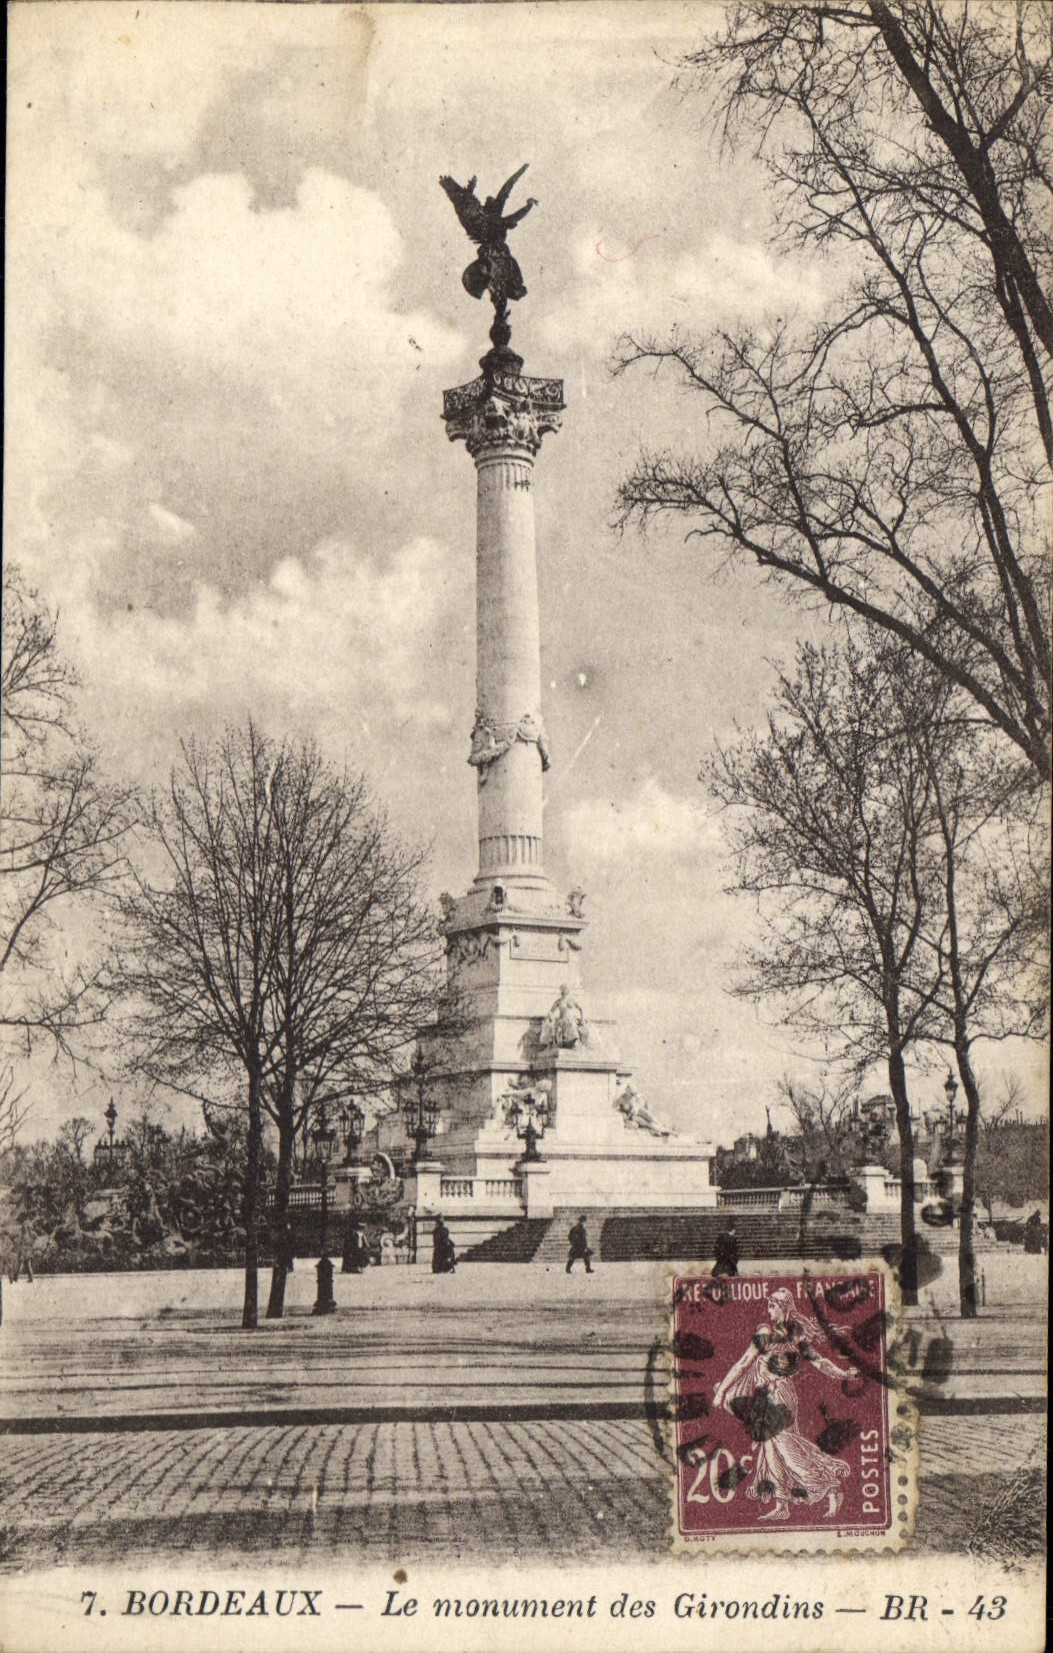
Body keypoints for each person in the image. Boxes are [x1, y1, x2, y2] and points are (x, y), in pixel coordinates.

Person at [712, 1288, 858, 1520]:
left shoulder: (784, 1334)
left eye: (772, 1305)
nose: (768, 1310)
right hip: (765, 1397)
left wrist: (843, 1374)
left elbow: (818, 1362)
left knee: (787, 1450)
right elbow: (744, 1363)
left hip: (780, 1395)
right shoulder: (780, 1333)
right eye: (769, 1305)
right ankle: (782, 1505)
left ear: (783, 1307)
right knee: (772, 1452)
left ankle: (829, 1486)